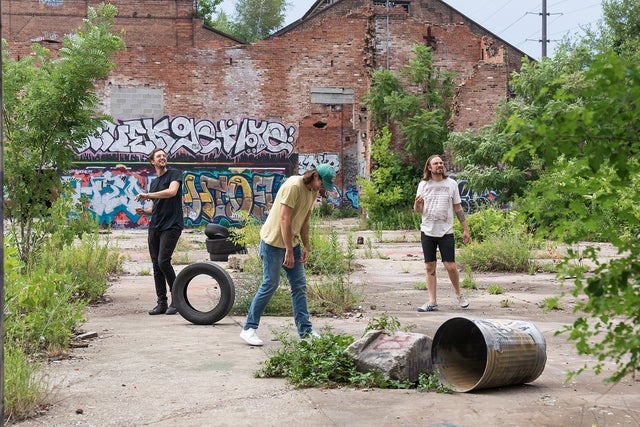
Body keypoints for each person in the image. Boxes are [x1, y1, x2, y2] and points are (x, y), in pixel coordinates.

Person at [240, 164, 337, 346]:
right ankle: (249, 329)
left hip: (292, 243)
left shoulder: (312, 191)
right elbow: (284, 219)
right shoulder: (294, 186)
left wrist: (306, 244)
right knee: (270, 284)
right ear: (315, 176)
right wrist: (289, 251)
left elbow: (304, 220)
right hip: (273, 243)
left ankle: (305, 332)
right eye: (322, 183)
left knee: (299, 285)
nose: (322, 188)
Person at [413, 154, 470, 312]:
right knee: (429, 266)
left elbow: (458, 208)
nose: (439, 165)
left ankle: (459, 294)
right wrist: (418, 205)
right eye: (435, 163)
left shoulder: (451, 184)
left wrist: (466, 229)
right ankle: (432, 301)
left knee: (450, 266)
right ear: (429, 168)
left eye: (441, 163)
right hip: (427, 231)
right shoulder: (423, 185)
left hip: (446, 232)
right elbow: (417, 210)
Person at [135, 148, 184, 315]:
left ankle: (178, 299)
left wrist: (148, 194)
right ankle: (161, 302)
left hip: (172, 225)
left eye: (164, 155)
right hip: (156, 226)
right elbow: (155, 207)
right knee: (156, 265)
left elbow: (172, 192)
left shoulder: (175, 174)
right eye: (159, 156)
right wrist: (145, 212)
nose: (162, 158)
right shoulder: (154, 183)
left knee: (164, 261)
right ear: (152, 162)